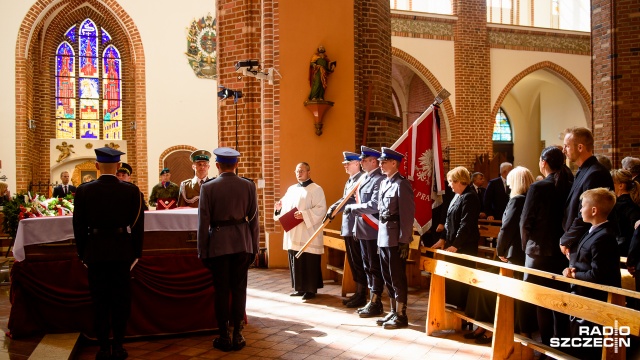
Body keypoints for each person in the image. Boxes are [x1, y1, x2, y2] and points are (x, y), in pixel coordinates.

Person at [72, 147, 145, 360]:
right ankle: (119, 346)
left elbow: (78, 226)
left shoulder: (84, 191)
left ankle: (103, 348)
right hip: (123, 252)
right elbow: (138, 226)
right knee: (121, 301)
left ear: (96, 166)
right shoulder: (131, 191)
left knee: (100, 301)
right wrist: (136, 254)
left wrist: (83, 253)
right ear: (119, 167)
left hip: (95, 251)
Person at [464, 166, 537, 344]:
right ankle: (484, 326)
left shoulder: (517, 200)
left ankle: (490, 327)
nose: (509, 185)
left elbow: (507, 229)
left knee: (484, 286)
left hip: (510, 255)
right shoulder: (531, 199)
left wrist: (501, 251)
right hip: (522, 255)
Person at [197, 147, 259, 352]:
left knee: (221, 291)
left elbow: (203, 222)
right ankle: (238, 334)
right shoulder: (248, 186)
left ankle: (224, 335)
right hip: (242, 243)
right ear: (237, 164)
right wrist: (254, 247)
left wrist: (202, 250)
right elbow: (254, 220)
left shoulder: (208, 187)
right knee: (240, 289)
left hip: (219, 244)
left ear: (217, 165)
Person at [520, 146, 574, 347]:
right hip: (561, 252)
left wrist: (526, 247)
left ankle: (547, 345)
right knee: (561, 301)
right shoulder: (569, 184)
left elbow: (526, 221)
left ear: (543, 162)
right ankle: (561, 344)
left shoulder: (539, 187)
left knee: (541, 302)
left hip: (538, 252)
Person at [562, 188, 621, 360]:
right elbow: (585, 260)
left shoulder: (604, 237)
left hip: (594, 300)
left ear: (594, 210)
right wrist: (572, 269)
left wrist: (574, 275)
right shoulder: (593, 231)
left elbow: (598, 274)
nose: (580, 210)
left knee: (589, 346)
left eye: (583, 206)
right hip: (583, 296)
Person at [375, 147, 415, 329]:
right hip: (383, 236)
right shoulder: (384, 183)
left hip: (395, 238)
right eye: (380, 162)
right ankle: (392, 311)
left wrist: (404, 240)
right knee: (387, 275)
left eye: (384, 162)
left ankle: (401, 314)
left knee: (397, 276)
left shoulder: (402, 184)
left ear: (394, 163)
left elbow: (407, 215)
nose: (380, 165)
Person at [274, 162, 326, 300]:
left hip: (308, 232)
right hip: (293, 231)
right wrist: (279, 208)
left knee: (309, 260)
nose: (299, 173)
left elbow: (321, 210)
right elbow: (283, 206)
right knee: (295, 259)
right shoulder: (291, 189)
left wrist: (304, 214)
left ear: (309, 172)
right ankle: (299, 288)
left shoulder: (316, 189)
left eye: (302, 170)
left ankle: (310, 289)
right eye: (297, 171)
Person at [344, 146, 385, 318]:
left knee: (374, 267)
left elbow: (375, 205)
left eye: (365, 160)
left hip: (373, 230)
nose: (361, 162)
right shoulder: (365, 179)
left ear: (373, 161)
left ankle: (376, 301)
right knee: (367, 266)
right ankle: (372, 300)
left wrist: (353, 208)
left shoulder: (378, 179)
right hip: (362, 229)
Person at [560, 127, 614, 258]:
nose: (564, 150)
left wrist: (567, 239)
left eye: (567, 146)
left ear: (580, 147)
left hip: (588, 245)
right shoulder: (584, 171)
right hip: (579, 243)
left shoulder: (595, 173)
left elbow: (587, 212)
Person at [433, 166, 480, 312]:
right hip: (454, 244)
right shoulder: (457, 196)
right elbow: (448, 221)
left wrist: (456, 245)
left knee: (463, 280)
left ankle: (464, 310)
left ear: (459, 181)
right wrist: (443, 239)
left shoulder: (470, 196)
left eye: (451, 182)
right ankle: (456, 308)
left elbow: (466, 224)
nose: (449, 185)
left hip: (465, 246)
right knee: (454, 279)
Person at [327, 151, 366, 308]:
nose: (345, 166)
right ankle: (358, 292)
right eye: (344, 164)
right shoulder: (351, 180)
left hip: (356, 227)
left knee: (358, 262)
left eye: (347, 163)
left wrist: (334, 208)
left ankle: (362, 294)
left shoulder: (361, 180)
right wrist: (334, 208)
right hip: (348, 227)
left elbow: (349, 199)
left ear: (357, 163)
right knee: (353, 261)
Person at [610, 169, 640, 256]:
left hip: (623, 249)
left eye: (612, 183)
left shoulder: (623, 204)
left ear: (621, 186)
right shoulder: (631, 201)